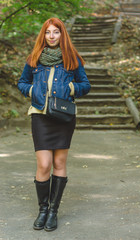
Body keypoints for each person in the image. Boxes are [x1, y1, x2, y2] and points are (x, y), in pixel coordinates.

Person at [17, 17, 91, 232]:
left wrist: (70, 88)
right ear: (44, 34)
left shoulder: (72, 58)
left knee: (59, 163)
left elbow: (85, 85)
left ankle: (53, 211)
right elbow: (22, 82)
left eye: (56, 32)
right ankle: (42, 209)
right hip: (40, 115)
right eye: (48, 32)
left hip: (63, 116)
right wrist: (32, 91)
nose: (51, 36)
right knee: (44, 164)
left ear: (62, 34)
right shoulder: (34, 58)